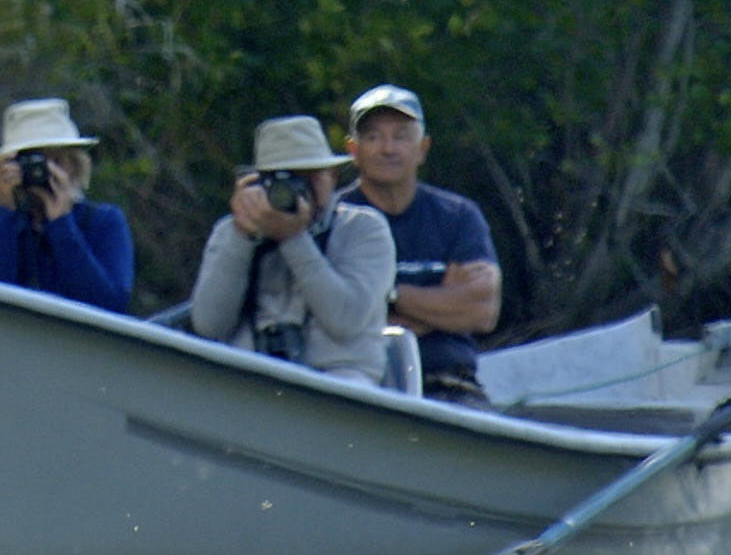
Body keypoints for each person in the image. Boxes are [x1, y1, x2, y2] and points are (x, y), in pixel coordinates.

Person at [189, 115, 395, 386]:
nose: (299, 191)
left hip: (338, 380)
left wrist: (293, 239)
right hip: (246, 379)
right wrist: (243, 237)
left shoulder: (364, 229)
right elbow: (209, 324)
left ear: (332, 177)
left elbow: (346, 320)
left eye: (311, 177)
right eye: (285, 180)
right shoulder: (232, 233)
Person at [338, 83, 502, 404]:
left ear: (422, 149)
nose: (388, 148)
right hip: (357, 383)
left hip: (449, 383)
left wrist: (389, 296)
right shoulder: (332, 219)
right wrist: (440, 303)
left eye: (401, 136)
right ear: (353, 150)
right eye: (373, 137)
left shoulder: (458, 216)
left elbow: (481, 311)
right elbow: (334, 315)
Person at [0, 97, 135, 312]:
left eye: (55, 161)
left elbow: (111, 306)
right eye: (30, 162)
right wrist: (7, 207)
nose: (43, 172)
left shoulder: (104, 221)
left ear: (74, 165)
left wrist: (62, 224)